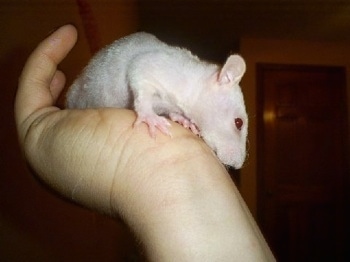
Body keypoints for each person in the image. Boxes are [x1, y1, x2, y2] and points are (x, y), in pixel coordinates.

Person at [15, 24, 275, 261]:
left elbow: (168, 98)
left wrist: (176, 117)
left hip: (96, 108)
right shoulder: (182, 70)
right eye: (238, 125)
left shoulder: (190, 89)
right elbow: (142, 67)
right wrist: (145, 109)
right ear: (225, 78)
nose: (239, 158)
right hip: (82, 96)